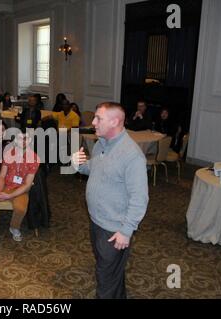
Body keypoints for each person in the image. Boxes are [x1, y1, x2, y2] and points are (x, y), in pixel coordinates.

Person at [72, 102, 149, 299]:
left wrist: (126, 231)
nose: (93, 122)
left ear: (115, 121)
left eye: (98, 118)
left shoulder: (132, 156)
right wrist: (79, 165)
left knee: (105, 277)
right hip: (97, 221)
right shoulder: (101, 144)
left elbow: (140, 198)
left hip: (114, 229)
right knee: (111, 272)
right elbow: (95, 169)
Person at [0, 130, 40, 242]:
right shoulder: (8, 154)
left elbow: (27, 185)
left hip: (20, 189)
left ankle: (14, 227)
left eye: (26, 138)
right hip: (5, 185)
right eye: (20, 138)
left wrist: (8, 196)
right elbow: (1, 176)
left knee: (20, 209)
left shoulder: (34, 158)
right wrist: (0, 191)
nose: (23, 141)